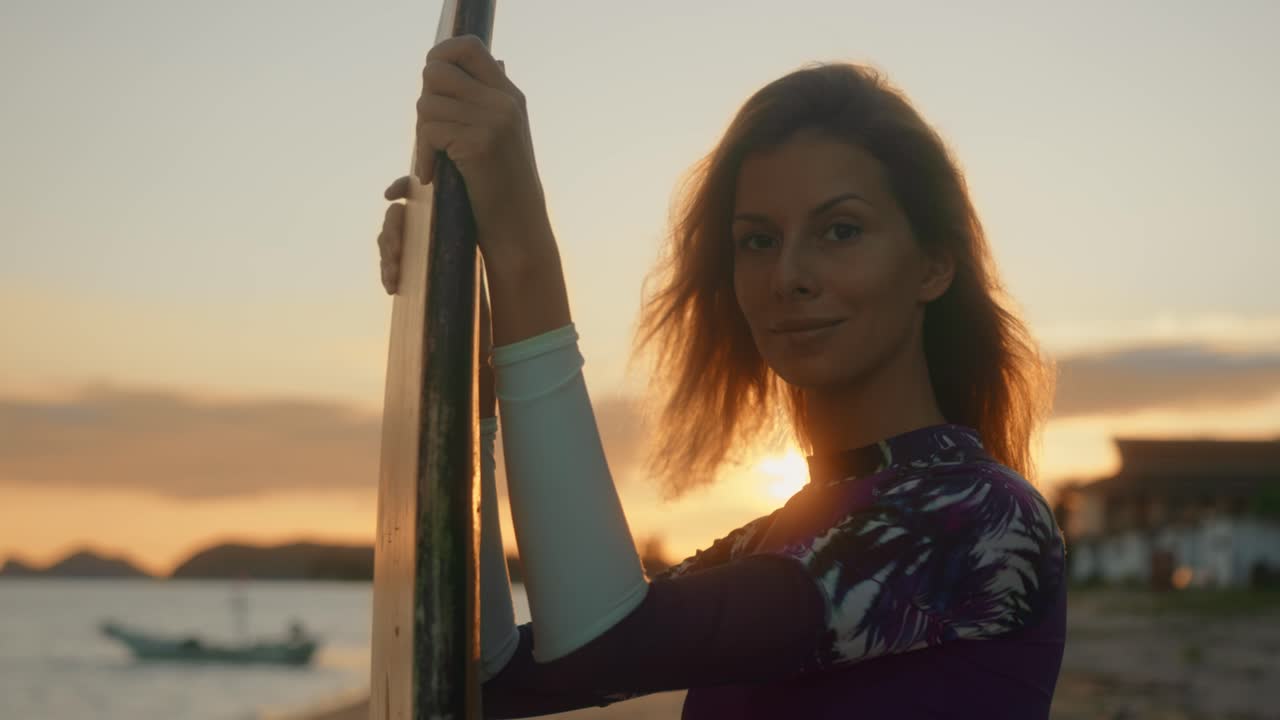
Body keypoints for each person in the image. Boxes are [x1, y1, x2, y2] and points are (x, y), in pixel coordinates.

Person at [375, 35, 1066, 719]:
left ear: (933, 265)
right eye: (759, 241)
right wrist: (465, 335)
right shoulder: (776, 539)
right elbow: (489, 680)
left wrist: (520, 240)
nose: (789, 276)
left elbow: (603, 642)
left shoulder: (983, 519)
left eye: (841, 230)